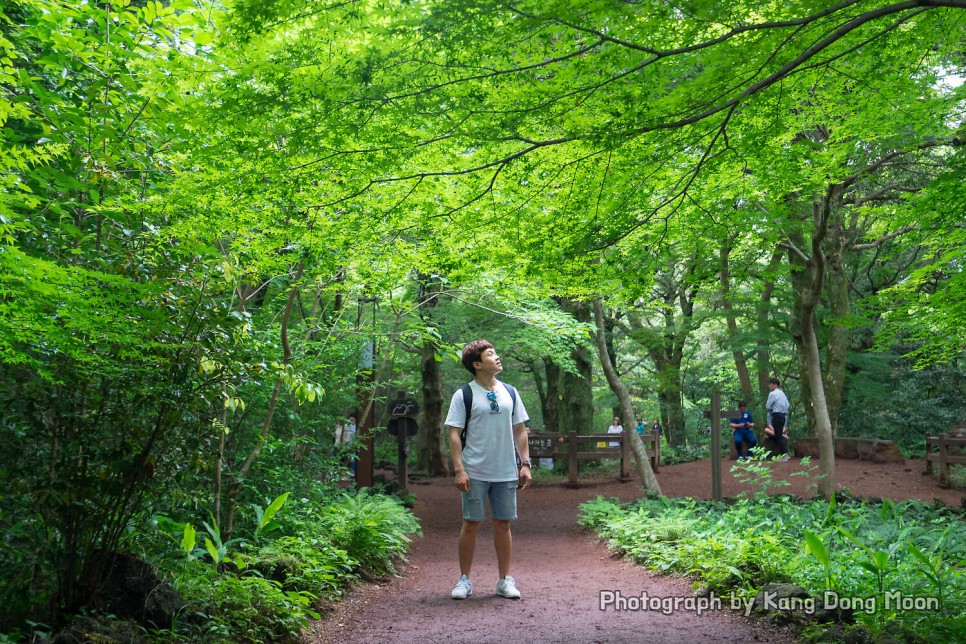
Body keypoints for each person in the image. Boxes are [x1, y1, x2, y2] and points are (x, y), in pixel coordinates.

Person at [445, 340, 530, 600]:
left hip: (505, 469)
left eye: (496, 352)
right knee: (471, 523)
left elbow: (520, 429)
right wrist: (459, 469)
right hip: (475, 470)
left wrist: (525, 463)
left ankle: (505, 580)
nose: (498, 357)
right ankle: (464, 580)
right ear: (478, 364)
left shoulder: (511, 392)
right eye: (491, 354)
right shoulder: (464, 395)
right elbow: (454, 433)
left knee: (503, 524)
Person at [765, 378, 790, 462]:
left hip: (776, 415)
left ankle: (784, 455)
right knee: (779, 435)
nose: (769, 385)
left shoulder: (773, 394)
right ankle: (785, 454)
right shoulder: (782, 393)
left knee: (778, 436)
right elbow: (787, 405)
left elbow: (768, 406)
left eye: (770, 384)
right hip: (783, 415)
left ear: (774, 384)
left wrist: (772, 408)